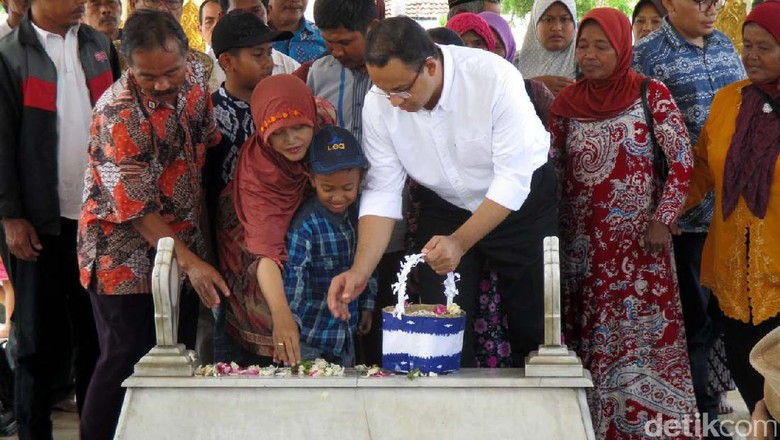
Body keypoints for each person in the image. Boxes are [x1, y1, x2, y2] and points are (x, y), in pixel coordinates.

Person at [327, 17, 557, 369]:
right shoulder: (381, 101)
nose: (393, 102)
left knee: (536, 326)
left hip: (521, 206)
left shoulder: (494, 78)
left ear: (430, 66)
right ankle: (450, 414)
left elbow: (513, 179)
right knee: (440, 328)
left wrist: (460, 242)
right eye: (384, 91)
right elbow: (383, 190)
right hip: (446, 204)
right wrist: (360, 270)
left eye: (401, 90)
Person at [77, 10, 227, 439]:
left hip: (184, 237)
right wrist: (193, 264)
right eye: (148, 76)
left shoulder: (197, 78)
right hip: (120, 250)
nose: (162, 84)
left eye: (171, 71)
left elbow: (210, 143)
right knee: (126, 355)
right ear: (127, 65)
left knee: (176, 351)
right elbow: (137, 211)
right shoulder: (116, 114)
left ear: (186, 55)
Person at [550, 8, 698, 438]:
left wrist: (663, 217)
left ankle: (650, 426)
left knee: (642, 340)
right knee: (590, 336)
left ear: (622, 48)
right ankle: (594, 426)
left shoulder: (651, 93)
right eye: (584, 45)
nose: (590, 55)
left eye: (602, 46)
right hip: (582, 247)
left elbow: (682, 162)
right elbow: (553, 171)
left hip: (640, 247)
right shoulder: (564, 104)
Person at [0, 0, 118, 437]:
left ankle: (97, 428)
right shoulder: (11, 54)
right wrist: (10, 216)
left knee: (96, 337)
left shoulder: (100, 46)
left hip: (99, 221)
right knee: (35, 343)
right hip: (39, 223)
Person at [633, 0, 746, 423]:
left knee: (727, 317)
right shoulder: (648, 54)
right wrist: (666, 207)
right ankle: (696, 414)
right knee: (692, 320)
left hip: (734, 215)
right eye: (700, 0)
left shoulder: (726, 47)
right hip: (683, 217)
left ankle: (722, 398)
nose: (711, 6)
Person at [683, 0, 780, 415]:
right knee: (753, 392)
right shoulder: (727, 102)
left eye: (765, 47)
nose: (751, 56)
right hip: (733, 280)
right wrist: (664, 210)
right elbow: (701, 168)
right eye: (747, 45)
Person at [215, 74, 336, 366]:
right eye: (279, 132)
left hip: (308, 237)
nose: (292, 140)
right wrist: (282, 317)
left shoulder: (325, 123)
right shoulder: (260, 173)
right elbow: (266, 253)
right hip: (254, 248)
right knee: (275, 331)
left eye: (299, 127)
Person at [284, 125, 376, 366]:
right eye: (328, 189)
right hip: (309, 341)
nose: (338, 197)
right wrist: (289, 324)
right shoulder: (305, 226)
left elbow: (368, 264)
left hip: (345, 337)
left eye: (347, 188)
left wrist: (367, 305)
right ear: (312, 179)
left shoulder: (360, 219)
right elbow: (294, 277)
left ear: (360, 180)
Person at [131, 0, 219, 92]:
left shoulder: (203, 64)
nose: (163, 9)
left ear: (181, 9)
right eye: (153, 1)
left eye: (172, 2)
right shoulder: (116, 55)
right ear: (134, 4)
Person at [218, 0, 301, 75]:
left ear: (268, 13)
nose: (249, 20)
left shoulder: (291, 69)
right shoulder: (208, 71)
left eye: (255, 11)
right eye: (238, 14)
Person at [516, 0, 577, 95]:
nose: (557, 27)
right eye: (548, 20)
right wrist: (532, 86)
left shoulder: (586, 64)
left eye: (564, 19)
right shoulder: (514, 64)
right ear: (535, 23)